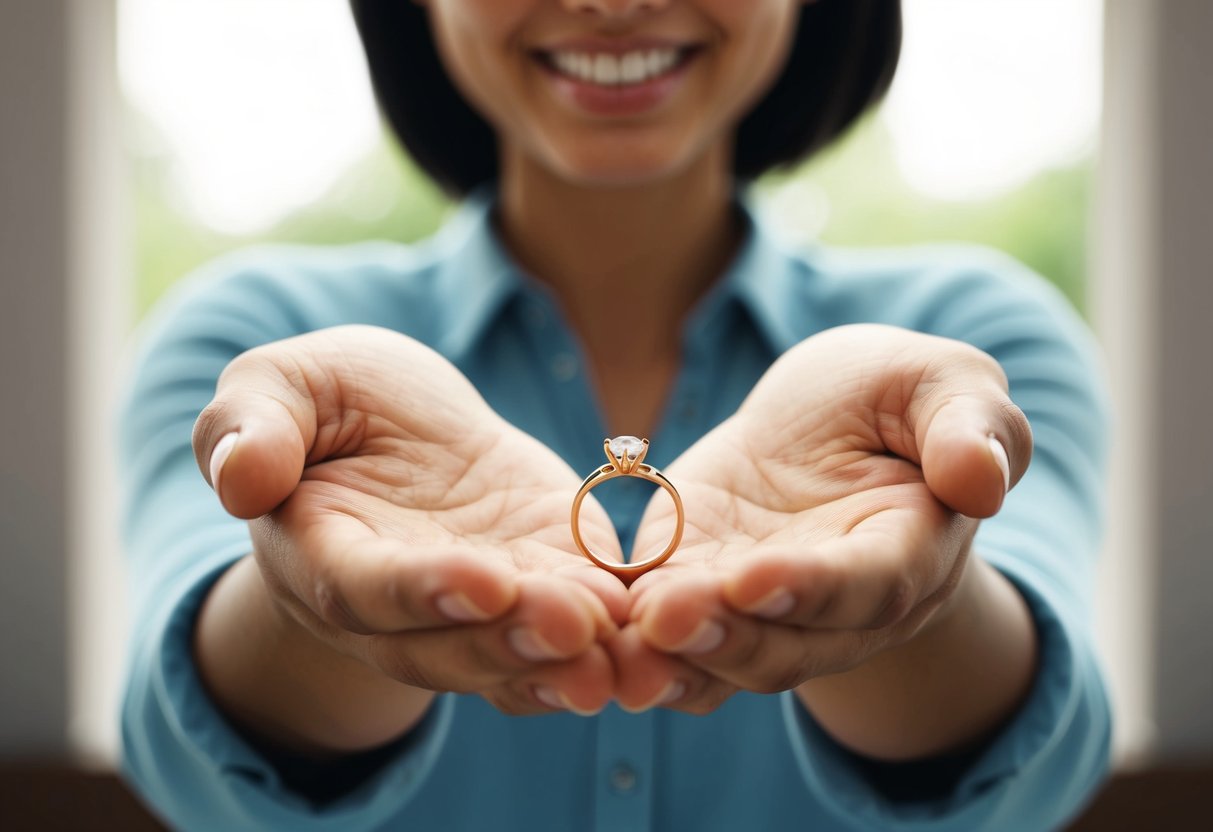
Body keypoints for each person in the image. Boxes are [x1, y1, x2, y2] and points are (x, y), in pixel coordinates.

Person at [117, 0, 1112, 829]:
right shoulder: (263, 351)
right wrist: (314, 618)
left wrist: (910, 610)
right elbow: (182, 769)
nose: (612, 1)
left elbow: (1046, 777)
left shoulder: (969, 342)